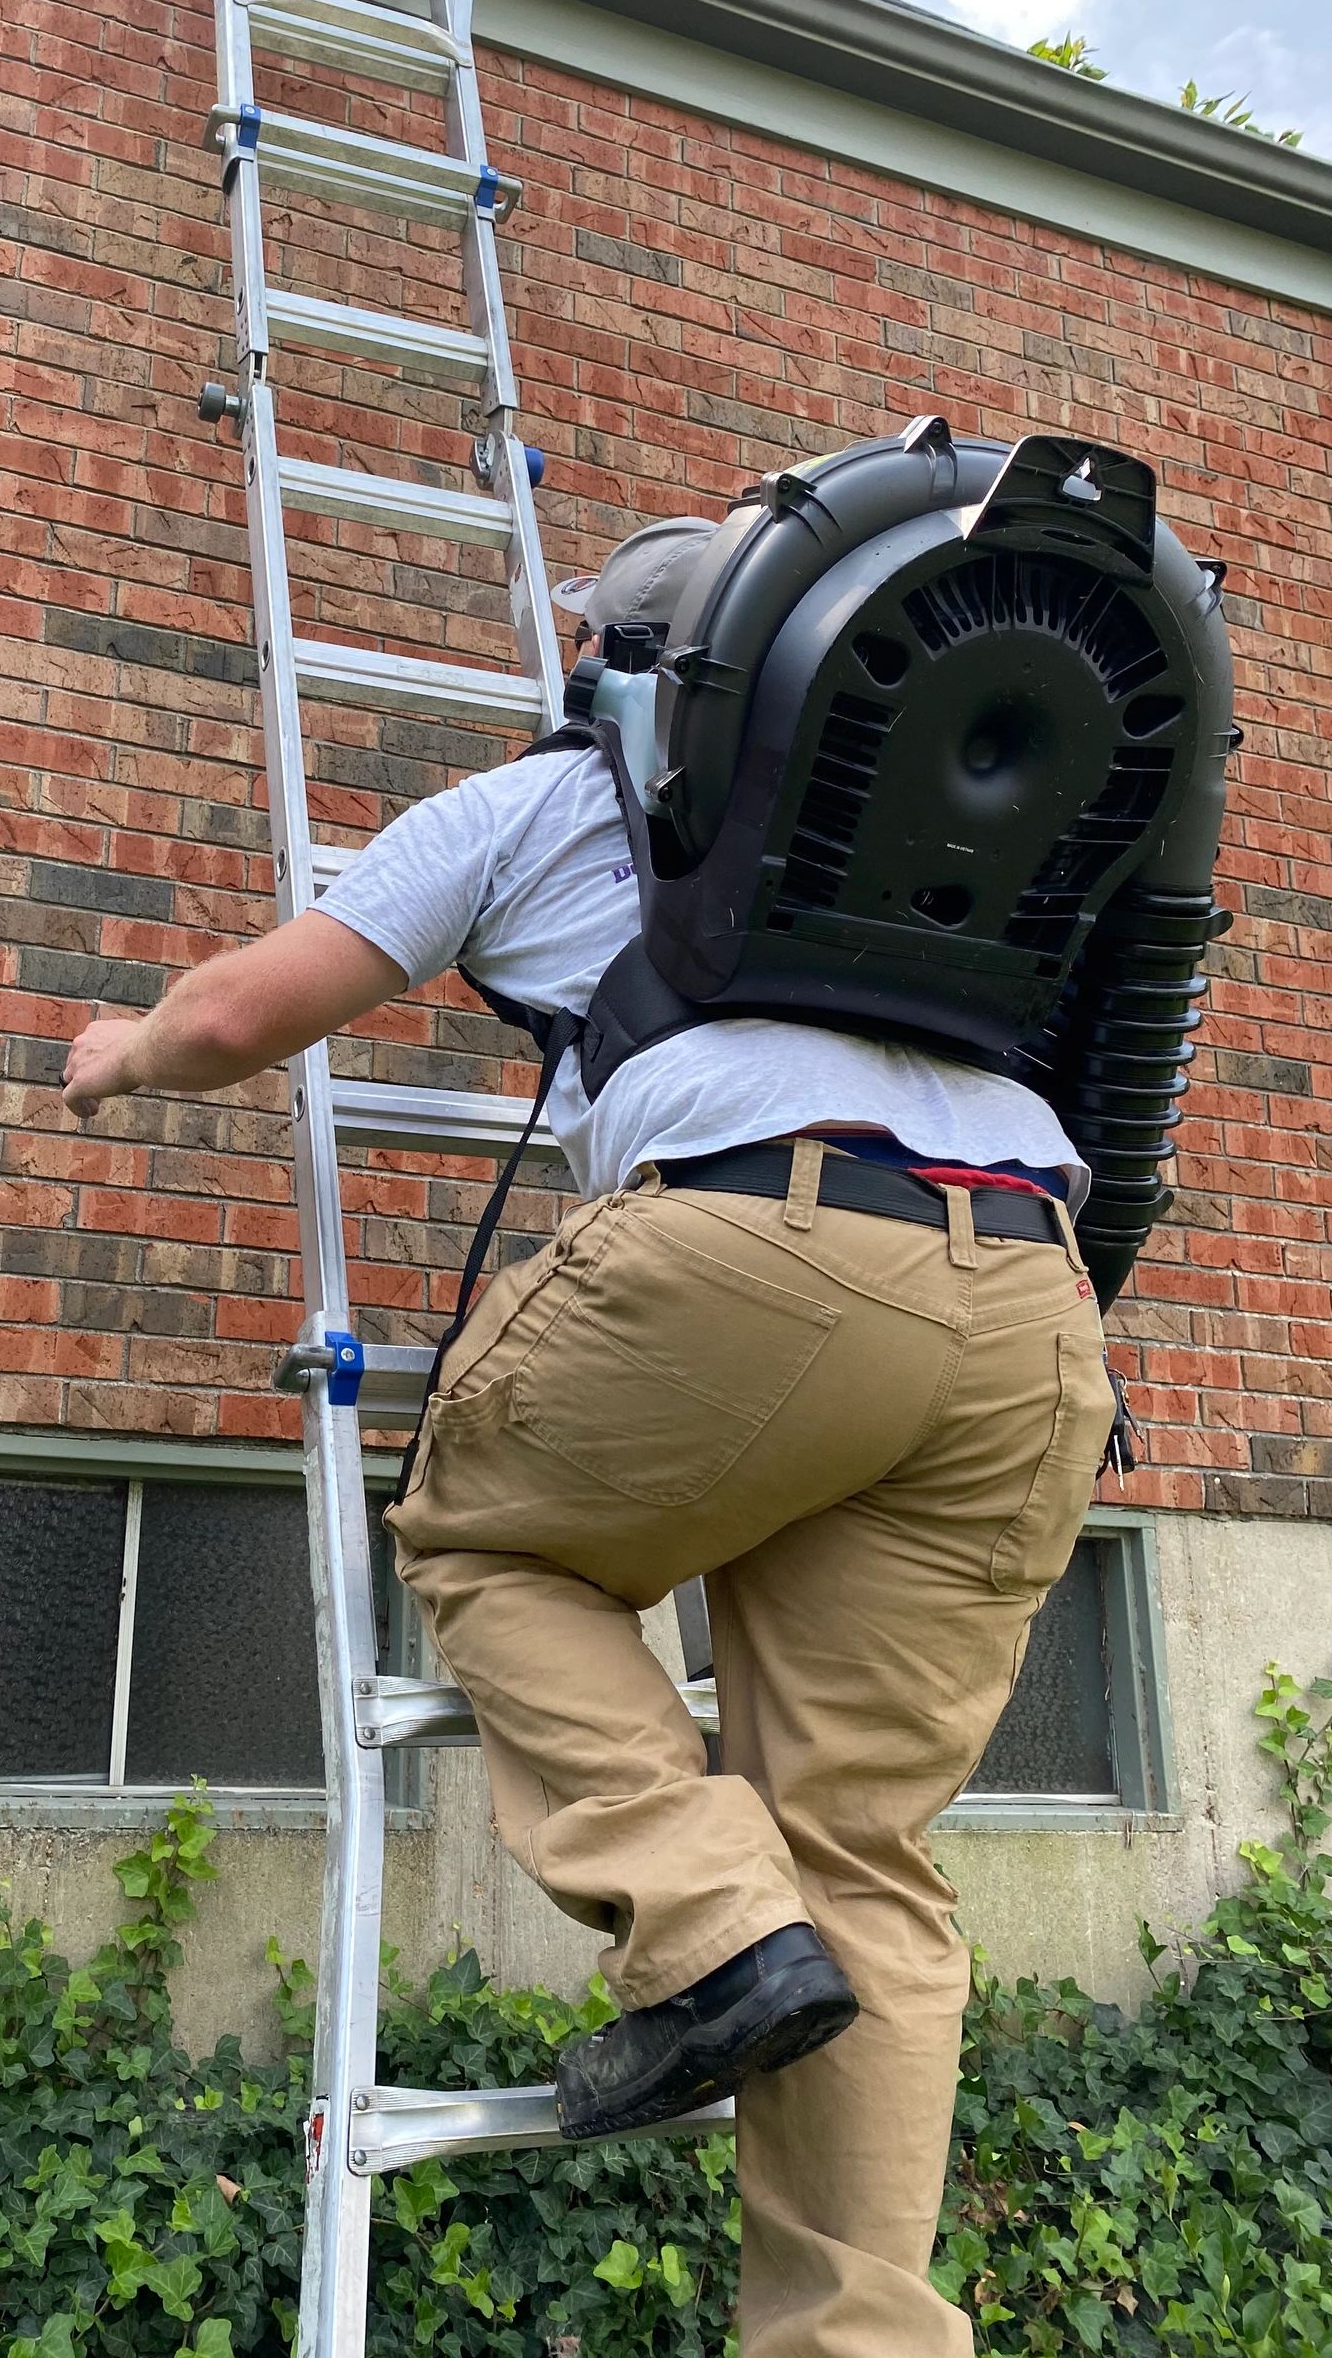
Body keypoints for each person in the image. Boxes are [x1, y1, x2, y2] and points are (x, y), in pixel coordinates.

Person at [61, 519, 1115, 2358]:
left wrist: (122, 1053)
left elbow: (244, 1013)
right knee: (860, 1849)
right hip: (1032, 1299)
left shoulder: (537, 806)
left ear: (607, 670)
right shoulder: (957, 857)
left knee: (489, 1541)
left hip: (758, 1247)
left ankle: (706, 1924)